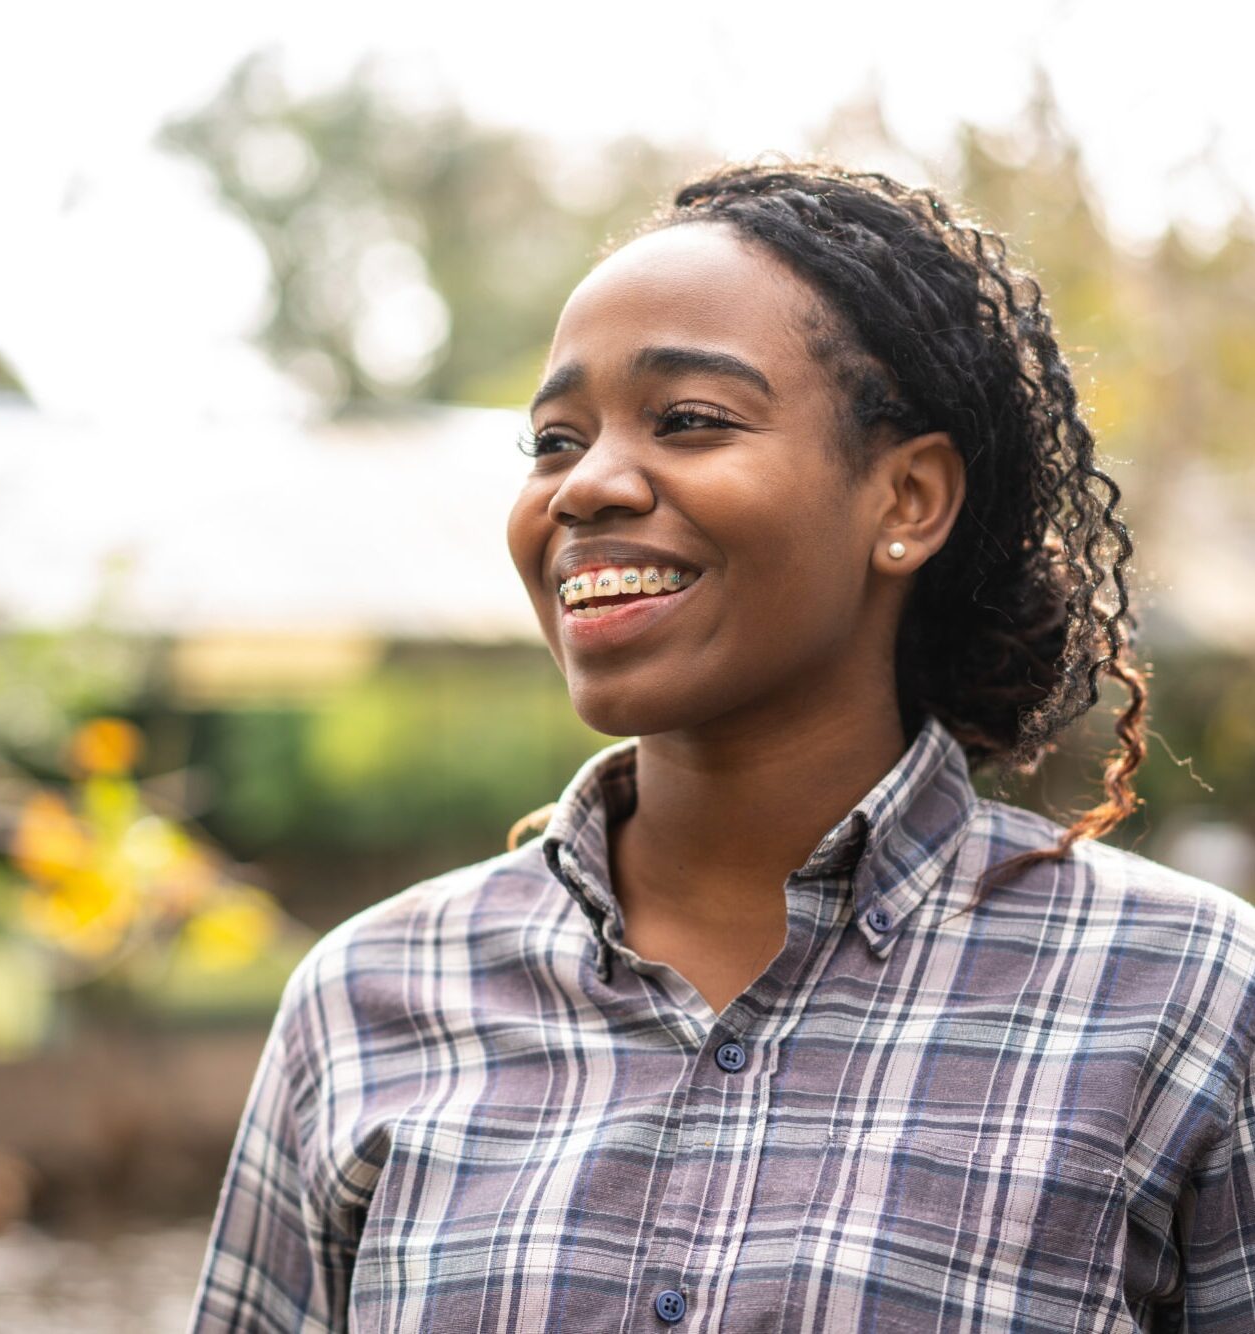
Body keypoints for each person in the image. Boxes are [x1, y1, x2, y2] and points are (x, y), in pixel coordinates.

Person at [187, 160, 1255, 1332]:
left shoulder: (1184, 1001)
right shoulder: (367, 998)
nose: (585, 484)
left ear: (905, 499)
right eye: (551, 439)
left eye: (689, 419)